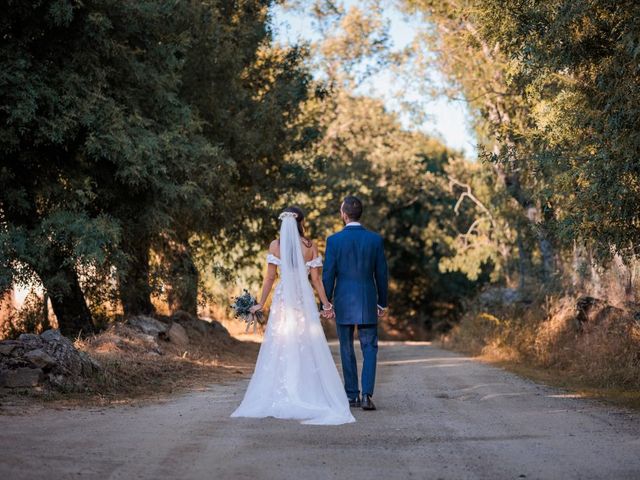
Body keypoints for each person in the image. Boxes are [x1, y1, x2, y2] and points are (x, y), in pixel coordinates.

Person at [230, 206, 355, 425]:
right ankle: (307, 390)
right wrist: (326, 304)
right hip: (302, 297)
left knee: (281, 341)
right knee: (306, 340)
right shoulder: (310, 246)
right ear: (301, 222)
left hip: (282, 298)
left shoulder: (275, 246)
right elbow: (316, 280)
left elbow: (269, 278)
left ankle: (281, 389)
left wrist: (261, 303)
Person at [322, 196, 388, 411]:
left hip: (343, 301)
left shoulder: (333, 241)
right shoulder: (375, 240)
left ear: (344, 214)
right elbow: (382, 274)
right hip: (368, 300)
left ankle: (352, 395)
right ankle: (367, 395)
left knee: (346, 347)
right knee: (370, 348)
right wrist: (382, 303)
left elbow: (328, 274)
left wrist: (326, 302)